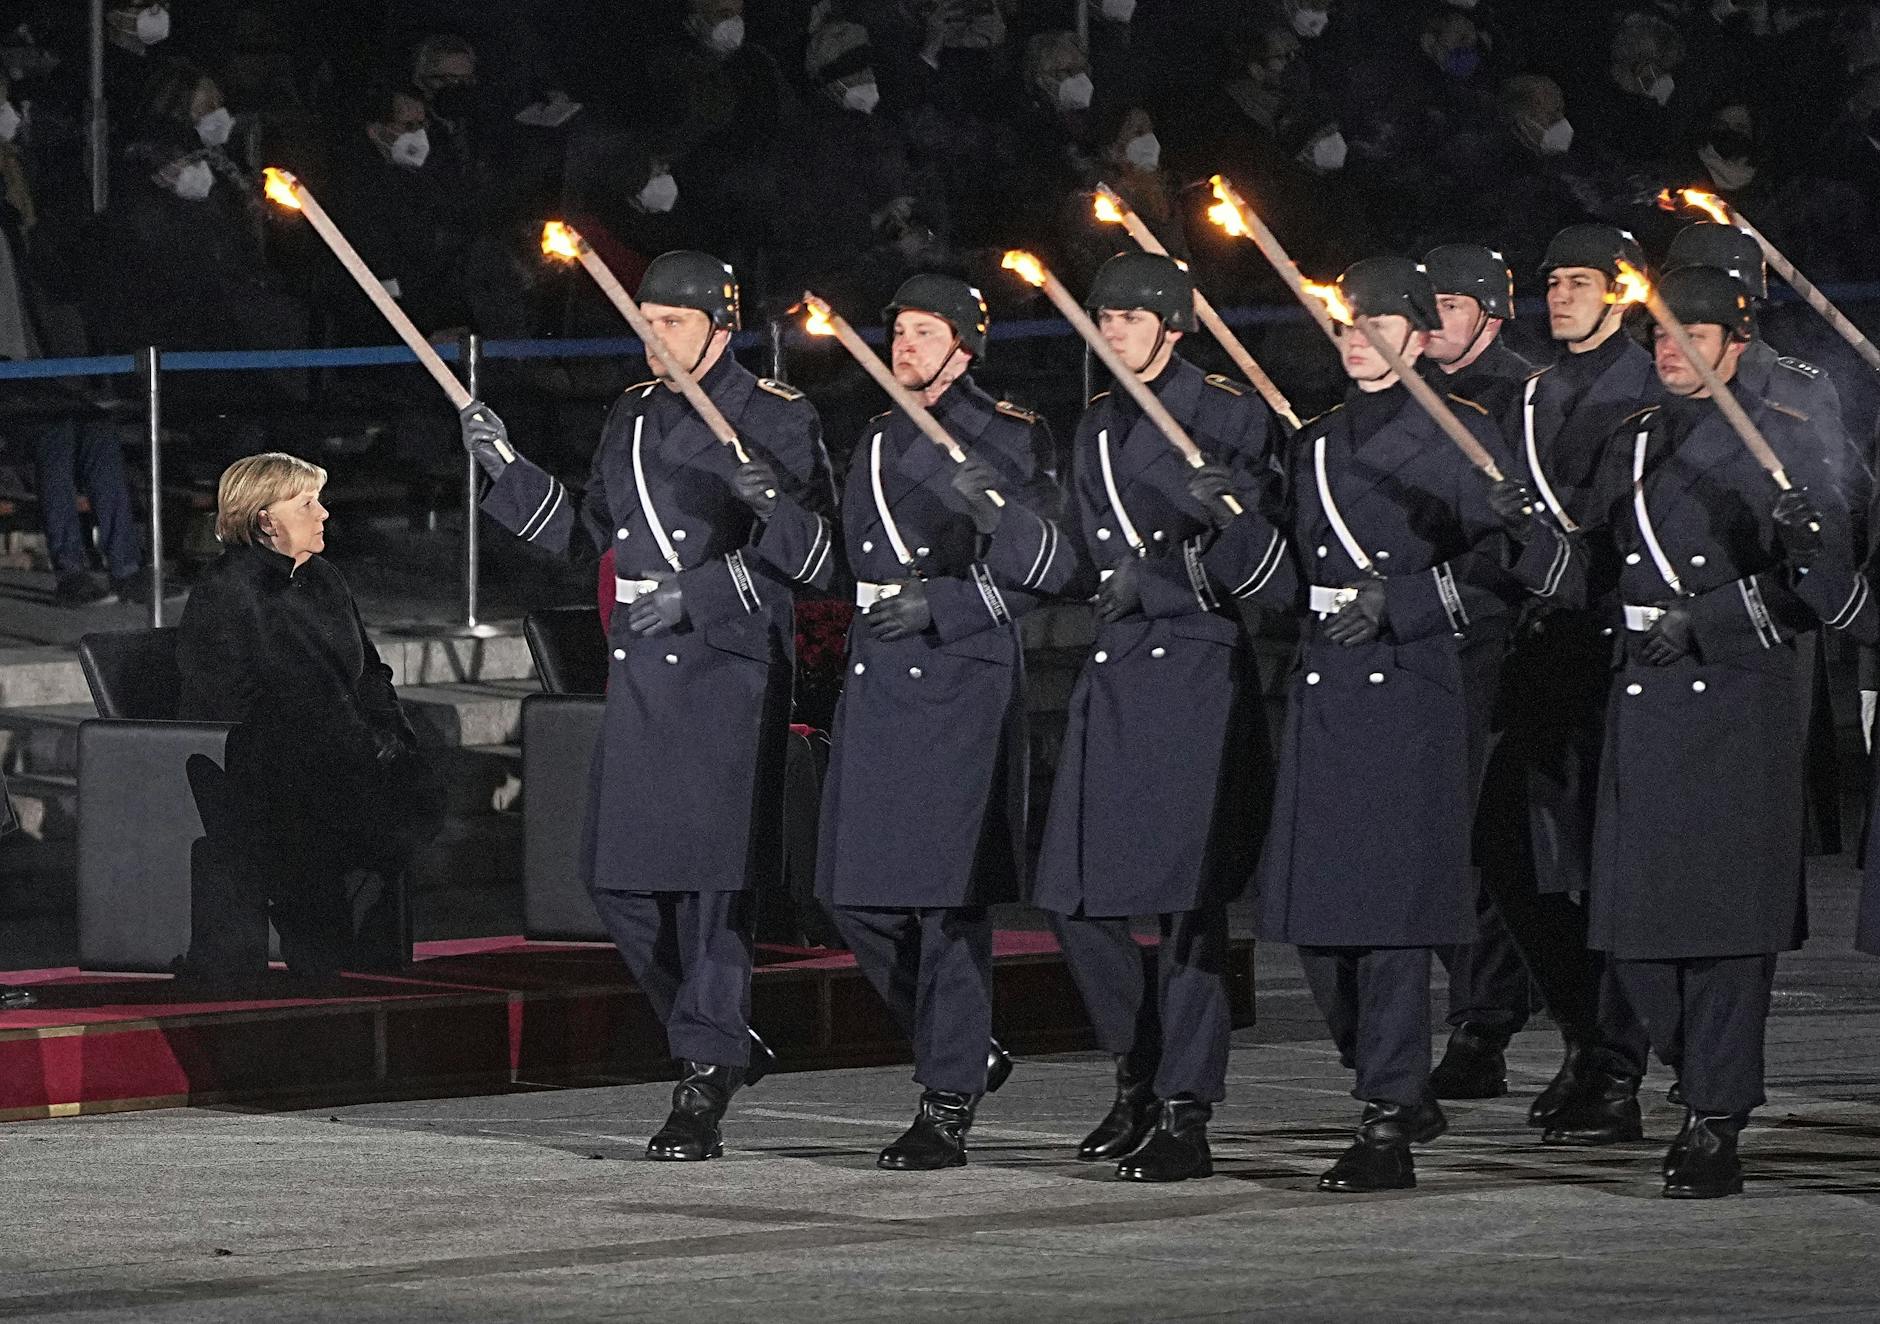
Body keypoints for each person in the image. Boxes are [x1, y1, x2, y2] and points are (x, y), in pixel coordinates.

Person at [461, 251, 836, 1163]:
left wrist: (699, 594)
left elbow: (814, 558)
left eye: (671, 322)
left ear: (720, 326)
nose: (653, 336)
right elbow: (588, 531)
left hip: (727, 670)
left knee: (713, 891)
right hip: (642, 673)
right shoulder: (630, 412)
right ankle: (715, 1039)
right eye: (646, 320)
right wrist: (506, 469)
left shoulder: (776, 415)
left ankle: (701, 1084)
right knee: (616, 879)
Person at [1256, 256, 1568, 1194]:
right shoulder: (1312, 443)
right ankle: (1384, 1076)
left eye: (1376, 324)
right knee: (1318, 920)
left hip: (1413, 688)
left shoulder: (1464, 436)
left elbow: (1506, 574)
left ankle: (1388, 1117)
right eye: (1346, 326)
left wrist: (1405, 602)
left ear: (1416, 336)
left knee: (1389, 917)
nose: (1357, 339)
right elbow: (1289, 572)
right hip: (1326, 687)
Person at [1581, 266, 1869, 1198]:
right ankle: (1691, 1074)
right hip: (1640, 702)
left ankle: (1714, 1118)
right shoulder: (1626, 445)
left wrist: (1800, 541)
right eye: (1661, 336)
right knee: (1639, 937)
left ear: (1735, 345)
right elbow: (1586, 566)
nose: (1670, 350)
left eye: (1692, 336)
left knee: (1726, 932)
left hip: (1733, 709)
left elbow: (1830, 599)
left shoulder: (1786, 443)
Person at [1033, 252, 1287, 1183]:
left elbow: (1255, 560)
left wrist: (1169, 571)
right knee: (1069, 896)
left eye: (1130, 320)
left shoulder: (1225, 410)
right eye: (1102, 319)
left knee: (1188, 913)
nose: (1113, 334)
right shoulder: (1098, 423)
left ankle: (1186, 1107)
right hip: (1117, 671)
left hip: (1192, 672)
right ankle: (1138, 1067)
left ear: (1172, 327)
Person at [816, 273, 1067, 1171]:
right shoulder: (879, 433)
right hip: (878, 674)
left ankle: (948, 1097)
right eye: (900, 331)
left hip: (958, 678)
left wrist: (949, 604)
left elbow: (1047, 563)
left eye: (925, 332)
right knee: (851, 895)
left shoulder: (1006, 432)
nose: (905, 346)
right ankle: (966, 1047)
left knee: (945, 902)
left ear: (965, 344)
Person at [1474, 223, 1660, 1147]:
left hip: (1620, 648)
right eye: (1553, 281)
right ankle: (1589, 1033)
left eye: (1580, 281)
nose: (1561, 296)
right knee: (1512, 849)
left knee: (1608, 867)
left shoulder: (1652, 384)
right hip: (1546, 649)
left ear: (1620, 290)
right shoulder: (1534, 393)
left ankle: (1616, 1067)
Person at [175, 453, 442, 979]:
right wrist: (340, 738)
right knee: (328, 799)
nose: (323, 514)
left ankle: (350, 942)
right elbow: (231, 697)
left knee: (410, 776)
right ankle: (324, 950)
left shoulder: (324, 578)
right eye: (306, 503)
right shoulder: (229, 589)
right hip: (261, 763)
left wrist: (389, 732)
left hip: (333, 753)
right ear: (266, 520)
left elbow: (368, 672)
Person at [1416, 242, 1545, 1102]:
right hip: (1416, 639)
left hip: (1490, 640)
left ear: (1490, 317)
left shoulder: (1520, 395)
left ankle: (1484, 1018)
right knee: (1429, 836)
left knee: (1479, 842)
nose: (1430, 324)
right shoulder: (1403, 392)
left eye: (1449, 308)